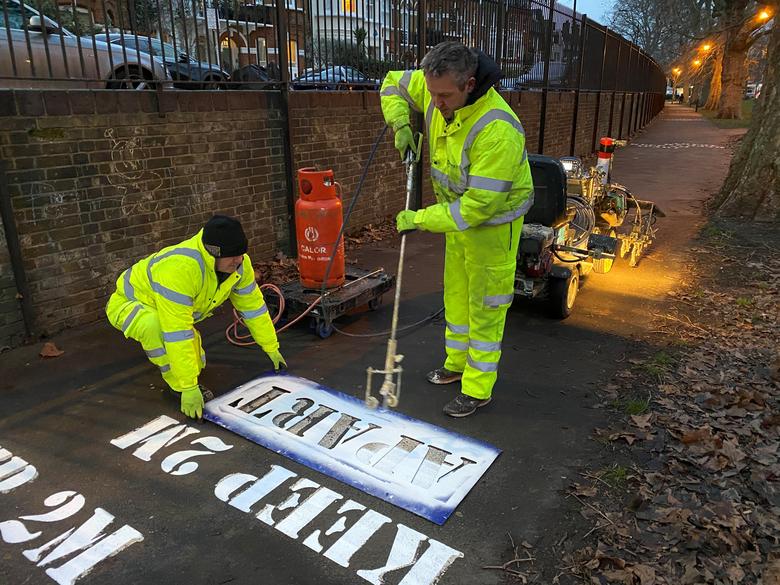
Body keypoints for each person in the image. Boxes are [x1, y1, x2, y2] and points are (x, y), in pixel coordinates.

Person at [380, 41, 534, 418]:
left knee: (486, 306)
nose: (435, 103)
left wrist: (419, 219)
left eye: (444, 95)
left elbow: (479, 207)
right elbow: (391, 84)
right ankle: (455, 364)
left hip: (493, 228)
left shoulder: (497, 130)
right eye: (431, 94)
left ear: (469, 83)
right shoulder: (437, 90)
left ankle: (477, 388)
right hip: (457, 224)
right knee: (458, 295)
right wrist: (400, 122)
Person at [106, 215, 286, 420]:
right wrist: (188, 386)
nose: (238, 261)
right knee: (155, 327)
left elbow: (253, 307)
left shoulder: (239, 264)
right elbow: (177, 332)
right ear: (212, 253)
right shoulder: (180, 270)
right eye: (232, 256)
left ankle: (185, 376)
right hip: (130, 304)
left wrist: (271, 347)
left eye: (241, 254)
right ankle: (177, 388)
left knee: (195, 363)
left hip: (167, 307)